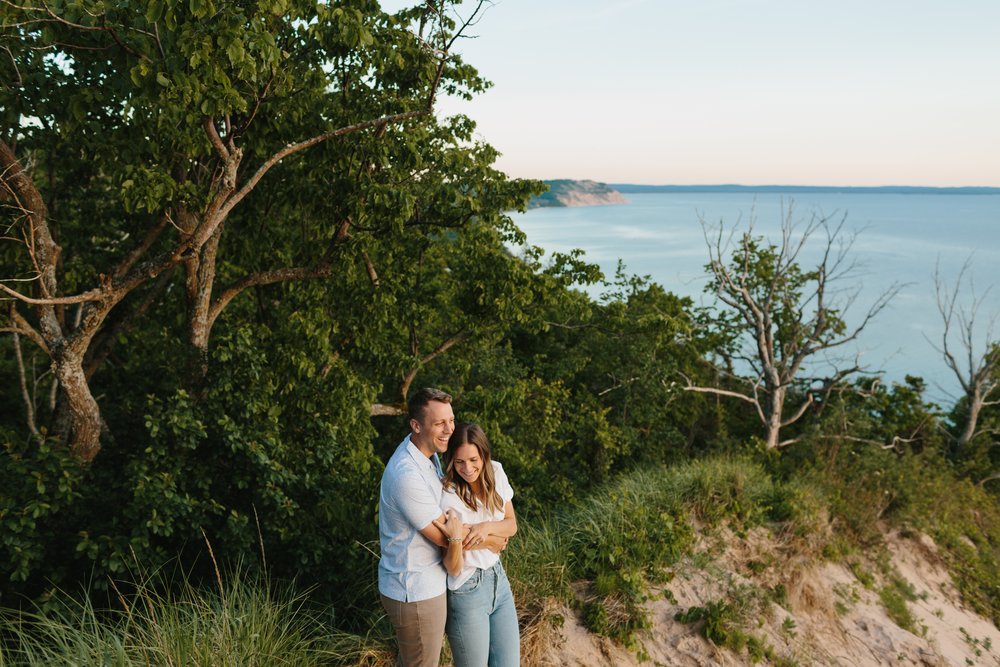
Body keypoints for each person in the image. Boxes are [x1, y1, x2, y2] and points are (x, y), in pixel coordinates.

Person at [378, 389, 506, 667]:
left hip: (427, 584)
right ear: (416, 425)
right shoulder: (406, 475)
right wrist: (493, 539)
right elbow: (447, 539)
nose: (450, 429)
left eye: (451, 420)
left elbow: (457, 530)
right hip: (415, 589)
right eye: (440, 423)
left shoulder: (429, 455)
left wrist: (484, 530)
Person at [433, 423, 520, 667]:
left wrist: (484, 529)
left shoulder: (496, 471)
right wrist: (494, 539)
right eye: (459, 462)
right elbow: (453, 562)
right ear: (451, 460)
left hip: (499, 581)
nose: (467, 468)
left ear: (484, 454)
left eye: (473, 459)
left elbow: (511, 525)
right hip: (467, 590)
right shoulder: (448, 493)